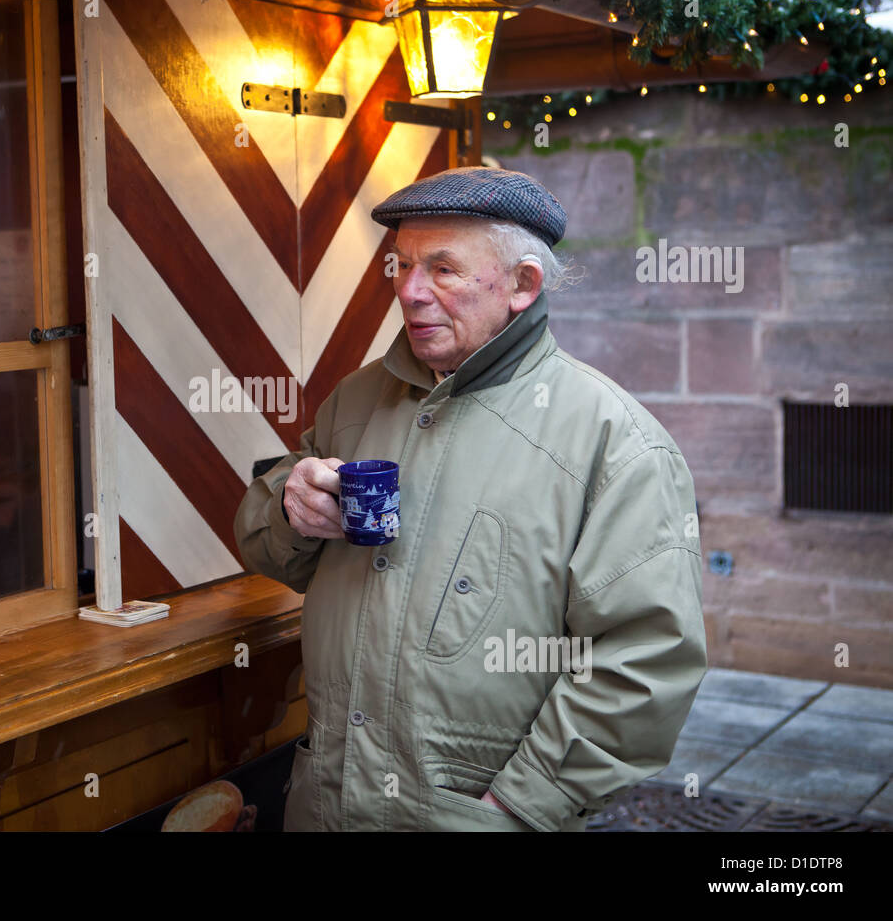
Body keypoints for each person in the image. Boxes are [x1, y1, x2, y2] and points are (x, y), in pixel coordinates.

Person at [233, 166, 707, 831]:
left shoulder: (616, 444)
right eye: (401, 265)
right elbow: (263, 546)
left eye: (443, 269)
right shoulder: (356, 398)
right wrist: (290, 505)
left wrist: (518, 806)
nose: (410, 292)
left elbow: (647, 660)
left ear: (523, 285)